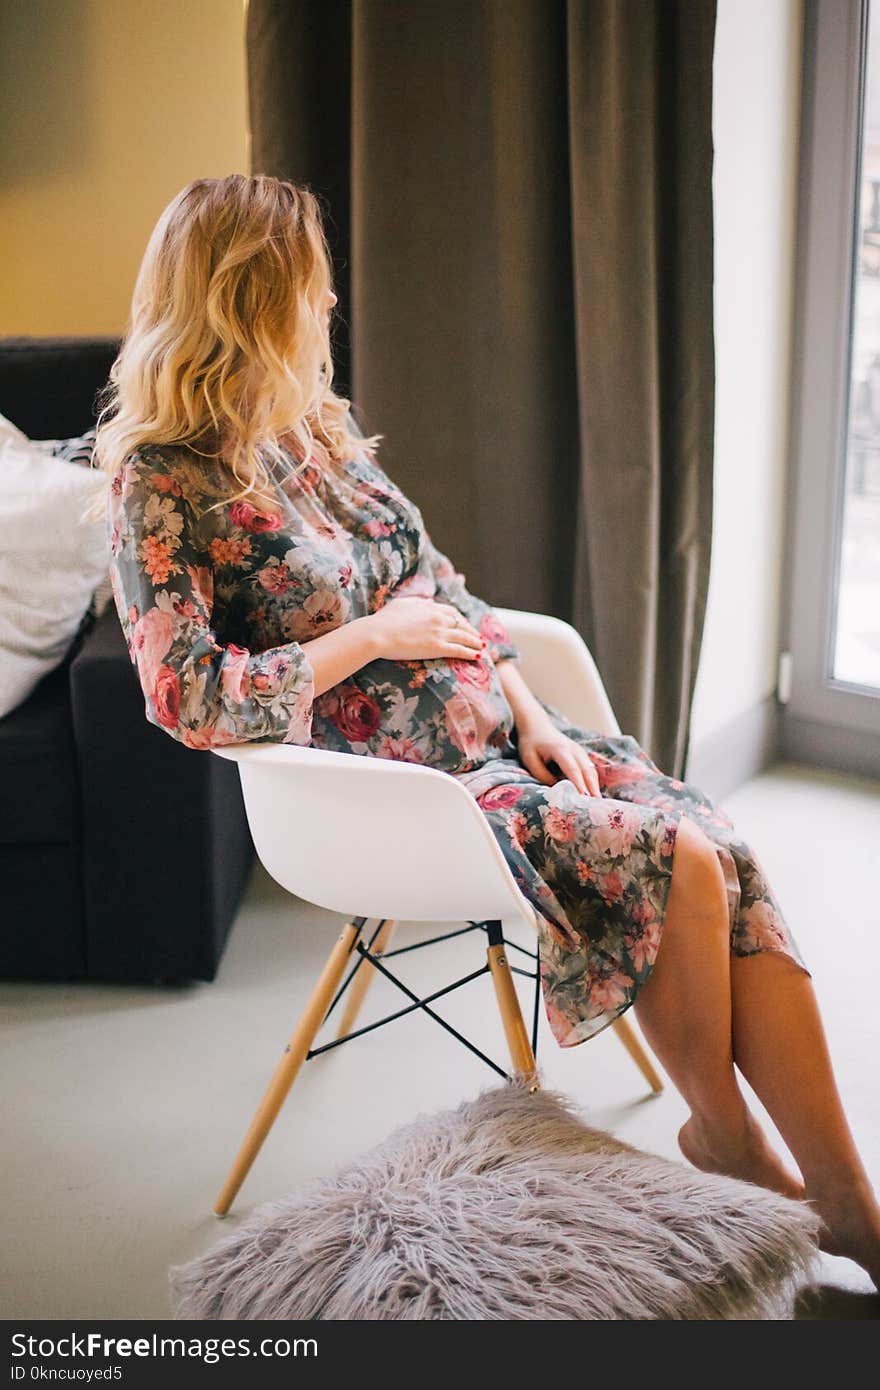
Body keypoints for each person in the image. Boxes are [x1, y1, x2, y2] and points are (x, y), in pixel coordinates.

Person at [85, 173, 880, 1289]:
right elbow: (185, 698)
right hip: (410, 798)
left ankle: (843, 1199)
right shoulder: (160, 485)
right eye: (311, 289)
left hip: (501, 742)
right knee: (674, 858)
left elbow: (438, 581)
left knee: (717, 853)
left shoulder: (314, 434)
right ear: (250, 302)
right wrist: (364, 641)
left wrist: (530, 703)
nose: (327, 309)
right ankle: (735, 1146)